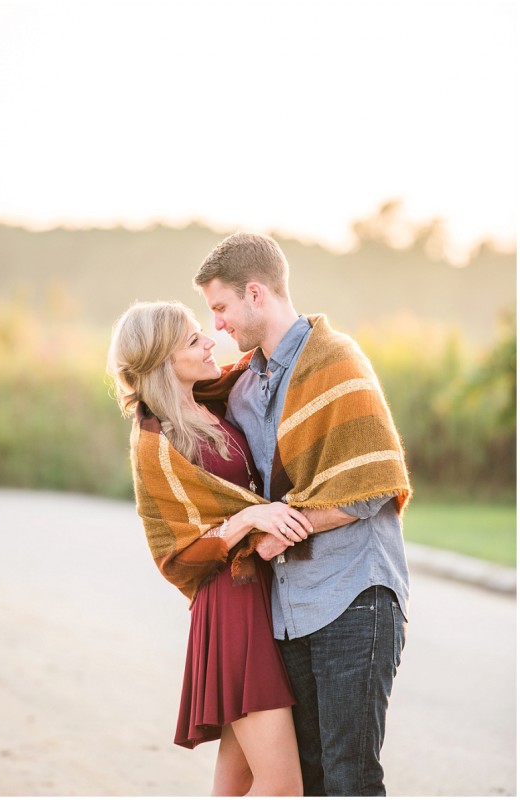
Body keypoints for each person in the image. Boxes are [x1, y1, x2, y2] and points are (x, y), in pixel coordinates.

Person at [193, 232, 412, 797]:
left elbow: (372, 484)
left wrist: (283, 527)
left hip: (353, 596)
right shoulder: (241, 388)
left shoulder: (336, 362)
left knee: (350, 777)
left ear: (256, 293)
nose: (216, 324)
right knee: (310, 779)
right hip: (287, 612)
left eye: (220, 308)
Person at [107, 300, 309, 797]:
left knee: (236, 783)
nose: (209, 343)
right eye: (193, 340)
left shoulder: (209, 405)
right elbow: (178, 553)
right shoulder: (157, 441)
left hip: (259, 595)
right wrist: (249, 517)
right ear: (162, 359)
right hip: (233, 606)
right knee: (282, 787)